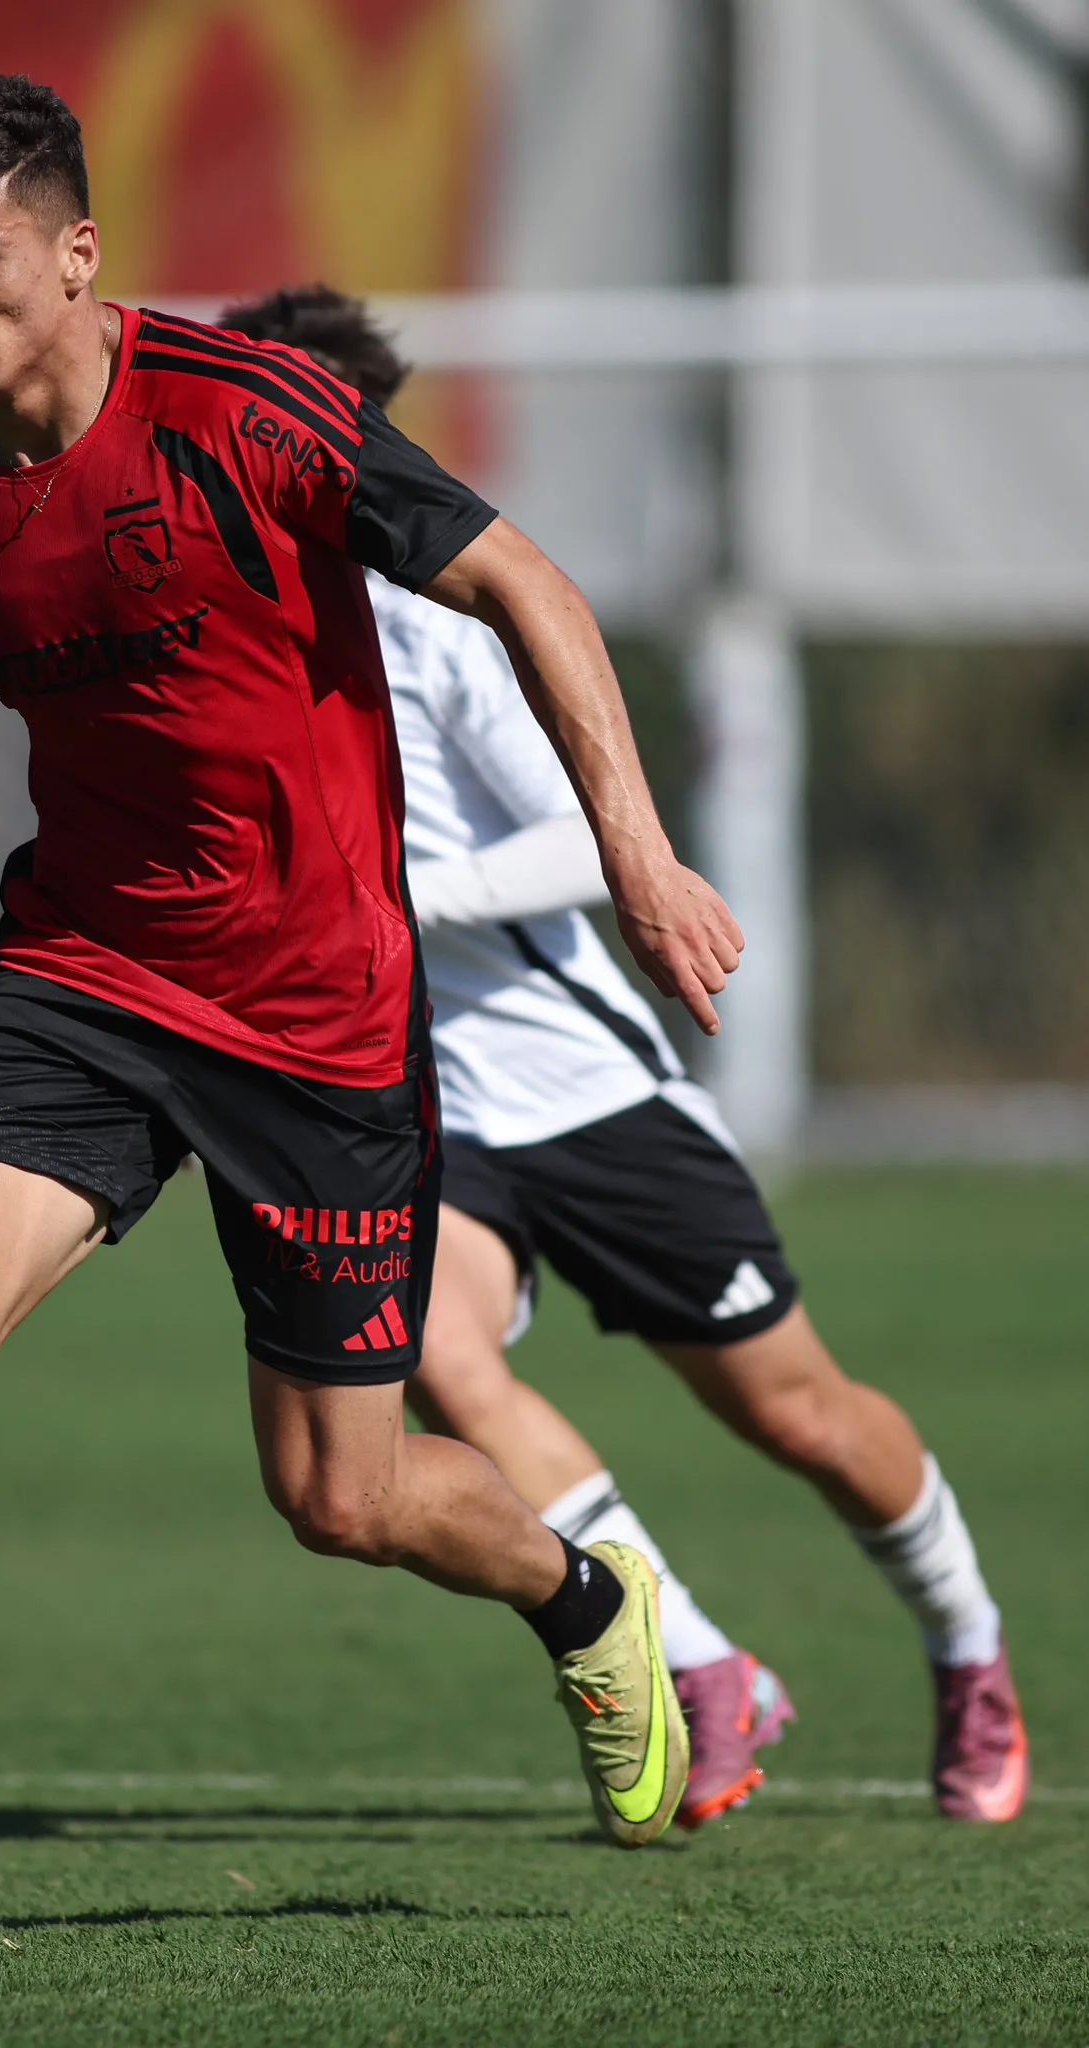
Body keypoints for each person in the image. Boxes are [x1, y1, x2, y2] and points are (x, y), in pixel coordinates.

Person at [0, 75, 745, 1848]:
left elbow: (527, 582)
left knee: (341, 1495)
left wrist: (633, 847)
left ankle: (583, 1601)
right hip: (81, 976)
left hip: (314, 1017)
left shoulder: (252, 415)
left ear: (78, 254)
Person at [220, 285, 1028, 1828]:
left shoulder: (439, 624)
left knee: (802, 1419)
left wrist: (381, 902)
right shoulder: (230, 637)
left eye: (294, 423)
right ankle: (709, 1662)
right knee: (434, 1369)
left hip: (588, 1100)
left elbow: (578, 847)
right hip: (418, 1115)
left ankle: (965, 1646)